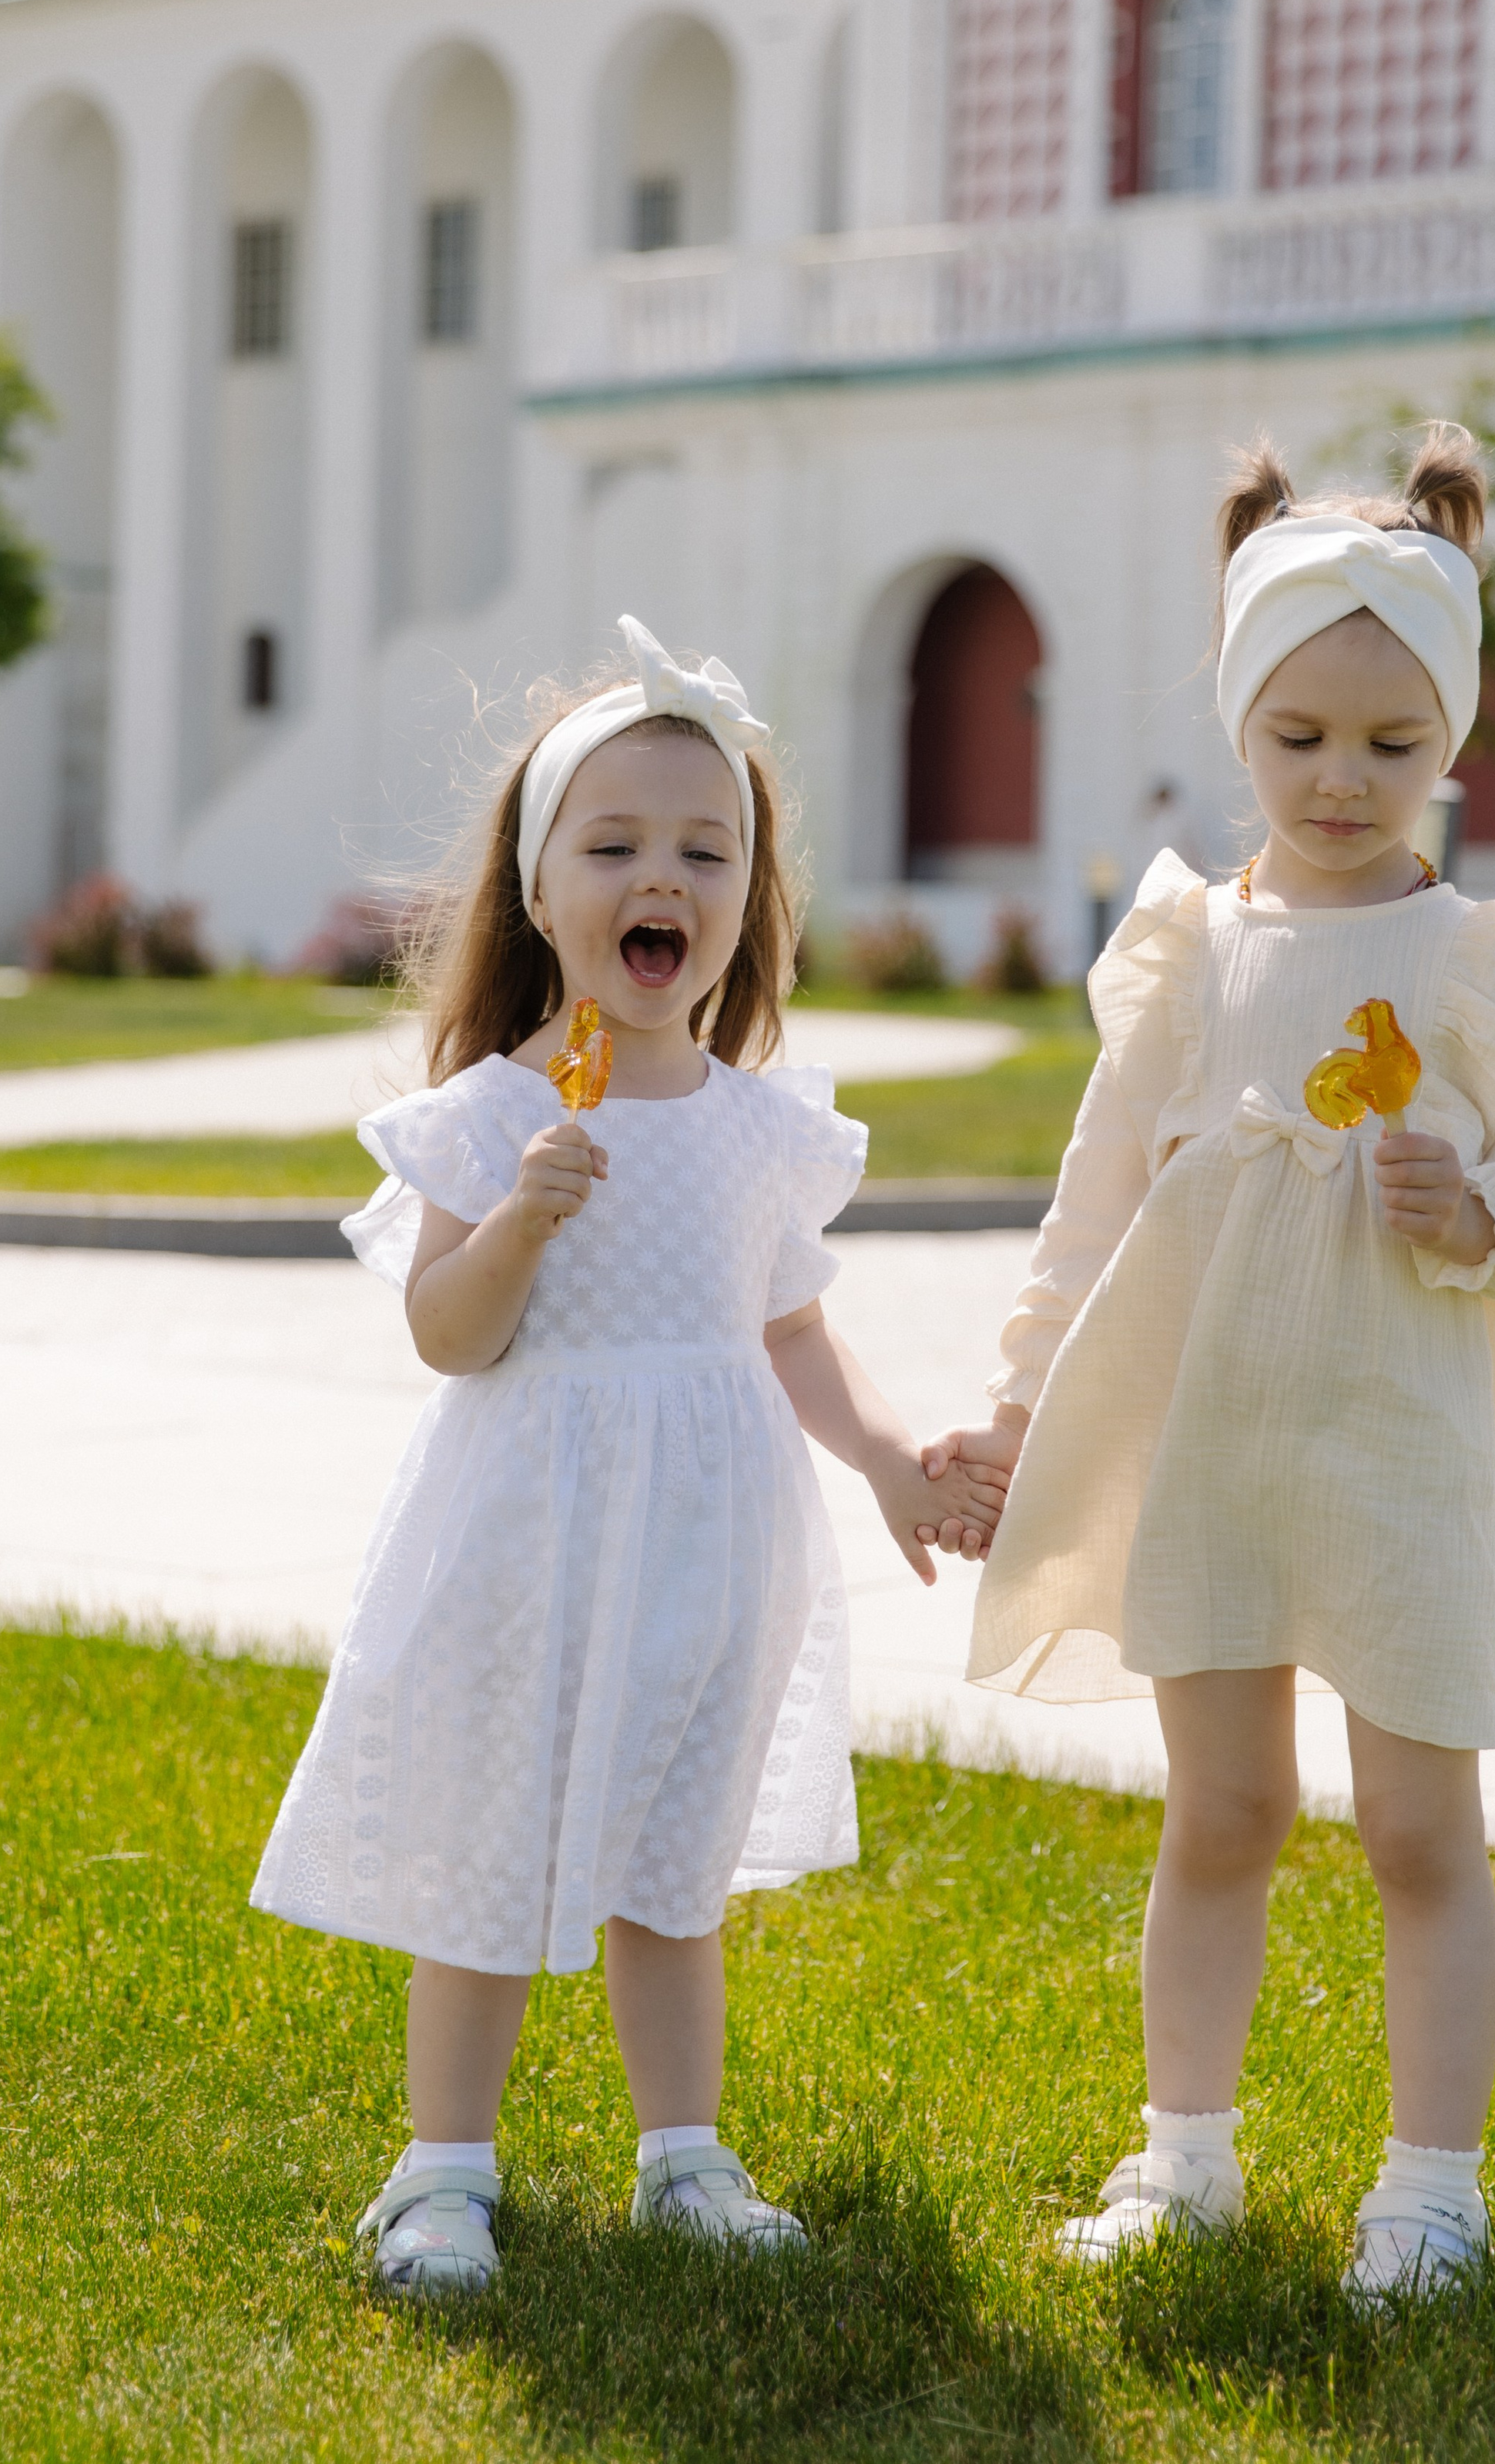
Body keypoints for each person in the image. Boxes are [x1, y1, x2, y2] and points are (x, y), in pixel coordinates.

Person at [253, 615, 1005, 2294]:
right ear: (540, 893)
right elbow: (448, 1333)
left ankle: (686, 2158)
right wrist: (518, 1222)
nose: (660, 875)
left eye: (702, 850)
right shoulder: (495, 1112)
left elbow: (791, 1329)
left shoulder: (756, 1124)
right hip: (527, 1543)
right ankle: (442, 2171)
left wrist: (890, 1456)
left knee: (673, 1873)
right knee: (492, 1856)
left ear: (746, 900)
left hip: (709, 1550)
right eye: (611, 846)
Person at [926, 427, 1495, 2301]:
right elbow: (1094, 1198)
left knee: (1416, 1825)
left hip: (1393, 1448)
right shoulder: (1188, 948)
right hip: (1207, 1444)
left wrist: (1475, 1208)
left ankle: (1428, 2191)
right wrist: (1020, 1397)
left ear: (1450, 740)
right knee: (1220, 1809)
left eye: (1390, 742)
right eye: (1297, 737)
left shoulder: (1469, 964)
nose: (1340, 779)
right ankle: (1183, 2157)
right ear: (1238, 723)